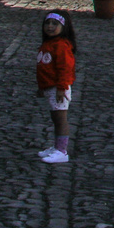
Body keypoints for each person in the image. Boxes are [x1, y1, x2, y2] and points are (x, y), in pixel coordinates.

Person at [35, 11, 77, 163]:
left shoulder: (61, 46)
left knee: (61, 119)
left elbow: (65, 68)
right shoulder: (48, 44)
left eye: (55, 24)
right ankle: (56, 146)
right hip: (51, 88)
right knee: (55, 118)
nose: (50, 27)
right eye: (48, 23)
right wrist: (42, 87)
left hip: (58, 89)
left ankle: (62, 150)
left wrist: (61, 88)